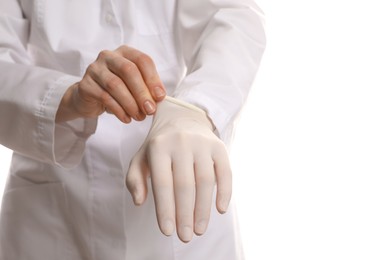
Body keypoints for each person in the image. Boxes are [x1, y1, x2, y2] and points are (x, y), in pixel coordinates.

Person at [0, 0, 266, 259]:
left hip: (179, 174)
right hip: (49, 215)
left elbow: (232, 14)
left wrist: (196, 108)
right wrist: (68, 97)